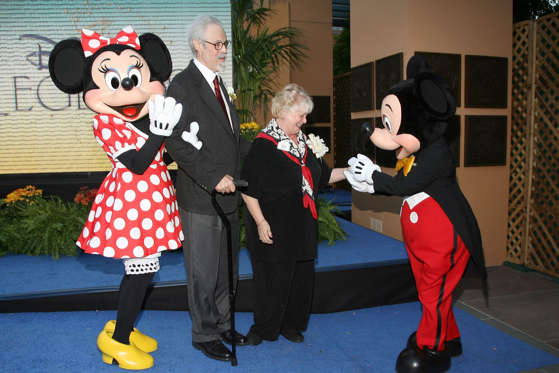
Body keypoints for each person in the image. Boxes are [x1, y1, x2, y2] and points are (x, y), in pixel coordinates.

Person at [48, 27, 202, 370]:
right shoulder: (105, 124)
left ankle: (124, 329)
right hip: (131, 208)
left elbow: (158, 160)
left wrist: (183, 142)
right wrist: (159, 134)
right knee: (139, 273)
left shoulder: (148, 121)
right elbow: (136, 163)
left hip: (153, 202)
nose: (128, 89)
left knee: (145, 273)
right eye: (114, 82)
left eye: (135, 77)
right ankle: (117, 341)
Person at [164, 15, 251, 362]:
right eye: (217, 44)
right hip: (202, 197)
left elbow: (229, 140)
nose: (223, 50)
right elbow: (174, 141)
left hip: (230, 195)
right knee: (203, 271)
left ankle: (223, 324)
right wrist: (212, 177)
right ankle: (204, 333)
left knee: (226, 268)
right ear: (197, 45)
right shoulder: (183, 85)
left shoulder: (219, 85)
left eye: (225, 44)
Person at [240, 83, 347, 345]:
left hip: (302, 225)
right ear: (283, 111)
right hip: (273, 224)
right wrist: (261, 221)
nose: (305, 120)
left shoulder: (305, 144)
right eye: (301, 114)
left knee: (301, 280)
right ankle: (265, 328)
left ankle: (292, 325)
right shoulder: (264, 144)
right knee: (272, 280)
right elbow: (248, 189)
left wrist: (352, 171)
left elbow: (323, 176)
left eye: (305, 115)